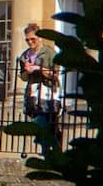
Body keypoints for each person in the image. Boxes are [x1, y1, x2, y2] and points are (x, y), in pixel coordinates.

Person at [18, 23, 60, 152]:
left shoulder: (49, 53)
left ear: (39, 38)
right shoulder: (24, 56)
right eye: (27, 40)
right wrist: (27, 71)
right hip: (32, 93)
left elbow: (55, 75)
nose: (30, 42)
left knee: (47, 122)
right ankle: (46, 148)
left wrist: (38, 69)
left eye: (33, 39)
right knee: (38, 121)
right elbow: (23, 77)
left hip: (47, 92)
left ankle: (50, 149)